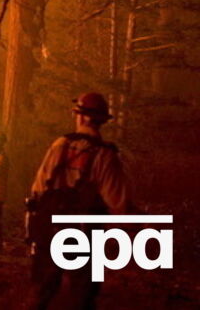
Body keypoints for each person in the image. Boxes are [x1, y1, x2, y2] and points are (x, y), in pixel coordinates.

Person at [26, 92, 134, 310]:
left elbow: (38, 188)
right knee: (82, 295)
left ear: (81, 117)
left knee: (42, 293)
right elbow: (117, 202)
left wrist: (32, 227)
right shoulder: (105, 155)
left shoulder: (60, 145)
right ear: (101, 121)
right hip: (84, 231)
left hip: (49, 227)